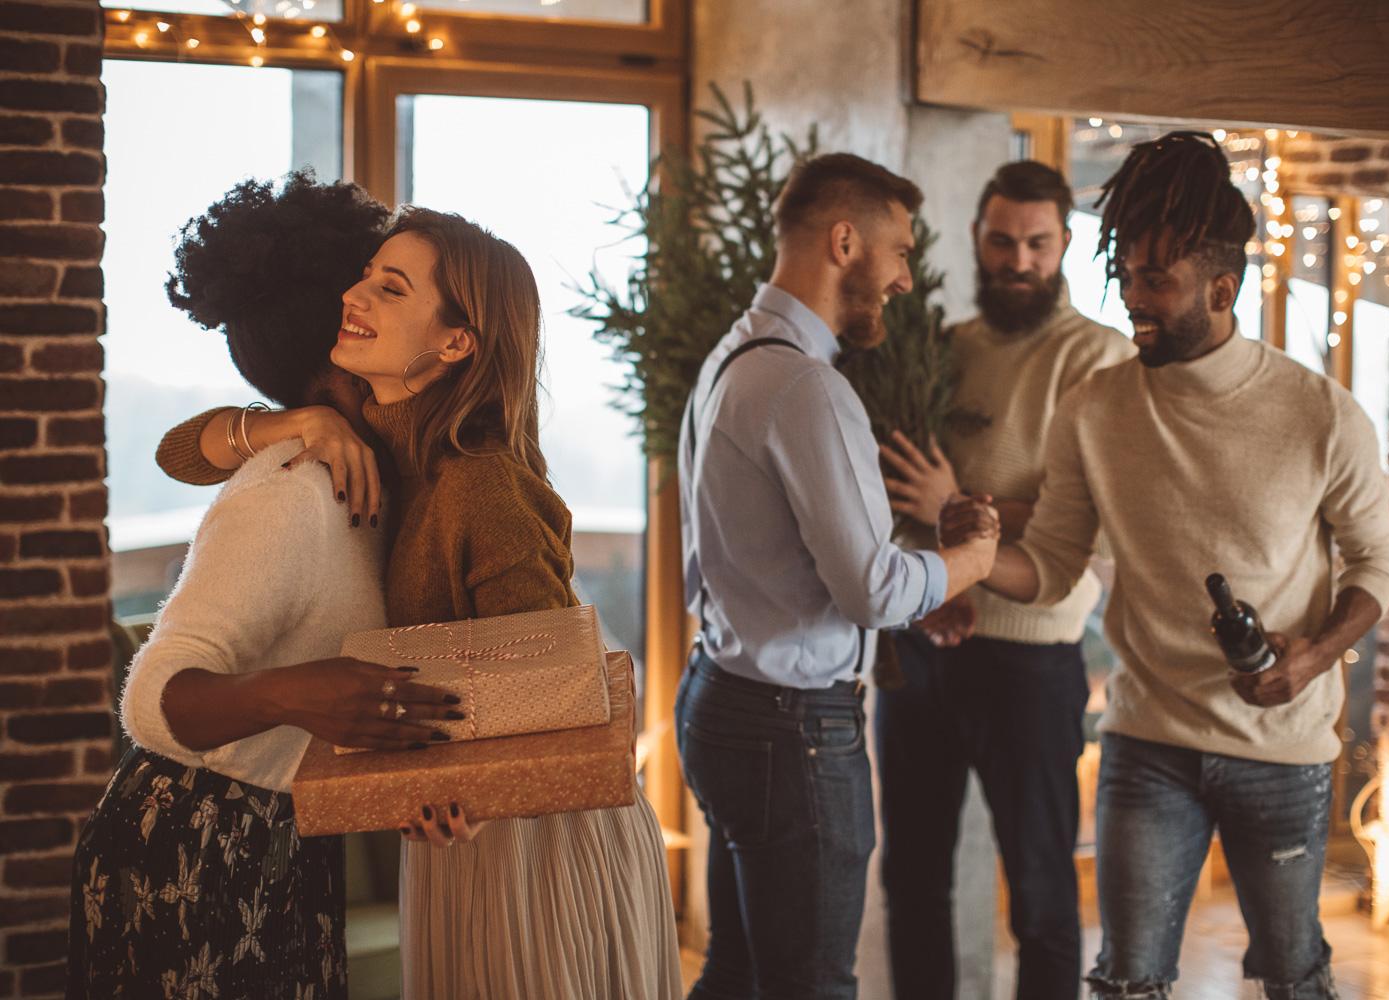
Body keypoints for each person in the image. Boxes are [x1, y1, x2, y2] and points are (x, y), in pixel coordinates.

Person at [158, 207, 681, 999]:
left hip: (525, 838)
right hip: (454, 829)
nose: (355, 293)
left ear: (456, 341)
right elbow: (178, 453)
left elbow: (556, 691)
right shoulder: (375, 434)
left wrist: (484, 793)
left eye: (390, 288)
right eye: (366, 274)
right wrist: (296, 422)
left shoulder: (482, 484)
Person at [940, 132, 1389, 1000]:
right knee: (1125, 980)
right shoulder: (1095, 408)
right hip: (1147, 742)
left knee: (1294, 974)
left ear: (1222, 289)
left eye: (1158, 280)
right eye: (1127, 275)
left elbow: (1378, 563)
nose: (1133, 300)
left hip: (1283, 750)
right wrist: (965, 559)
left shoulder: (1321, 415)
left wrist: (1309, 656)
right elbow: (1048, 566)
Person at [67, 172, 459, 999]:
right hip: (192, 852)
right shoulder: (290, 494)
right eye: (373, 292)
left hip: (290, 839)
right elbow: (150, 701)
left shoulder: (386, 466)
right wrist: (293, 693)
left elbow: (184, 448)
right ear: (343, 334)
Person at [675, 151, 1001, 1000]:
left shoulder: (731, 357)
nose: (904, 277)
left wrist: (899, 588)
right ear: (845, 241)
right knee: (814, 984)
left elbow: (744, 554)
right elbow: (871, 591)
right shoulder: (804, 386)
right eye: (900, 251)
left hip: (720, 695)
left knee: (739, 972)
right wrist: (970, 562)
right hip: (793, 732)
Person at [877, 160, 1134, 1000]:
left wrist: (960, 507)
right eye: (1001, 241)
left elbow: (1085, 508)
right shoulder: (943, 351)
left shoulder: (1101, 361)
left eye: (1037, 243)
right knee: (912, 882)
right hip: (923, 641)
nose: (1017, 260)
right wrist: (931, 579)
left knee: (1043, 898)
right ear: (977, 239)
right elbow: (901, 490)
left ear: (1065, 245)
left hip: (1032, 661)